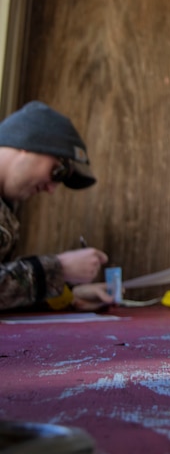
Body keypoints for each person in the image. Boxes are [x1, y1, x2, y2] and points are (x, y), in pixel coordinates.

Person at [0, 101, 112, 311]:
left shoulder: (7, 207)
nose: (52, 189)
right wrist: (60, 267)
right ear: (26, 143)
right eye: (58, 171)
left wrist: (68, 295)